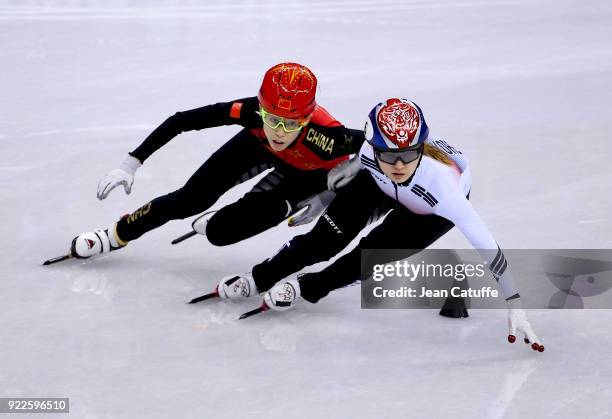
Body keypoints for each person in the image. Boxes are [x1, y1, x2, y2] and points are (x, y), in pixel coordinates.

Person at [214, 98, 544, 352]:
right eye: (389, 155)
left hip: (426, 211)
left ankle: (310, 287)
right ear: (374, 148)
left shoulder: (445, 189)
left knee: (368, 257)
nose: (398, 165)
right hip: (377, 186)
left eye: (408, 154)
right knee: (323, 240)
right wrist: (322, 201)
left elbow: (490, 249)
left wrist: (516, 306)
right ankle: (261, 276)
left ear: (420, 147)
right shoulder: (370, 154)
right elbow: (344, 179)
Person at [62, 63, 365, 263]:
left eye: (292, 123)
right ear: (260, 109)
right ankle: (116, 234)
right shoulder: (249, 111)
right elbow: (181, 121)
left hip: (304, 174)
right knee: (187, 201)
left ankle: (226, 218)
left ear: (309, 119)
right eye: (272, 119)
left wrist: (327, 195)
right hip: (254, 148)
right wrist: (131, 162)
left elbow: (390, 148)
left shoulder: (331, 136)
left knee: (221, 234)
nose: (279, 132)